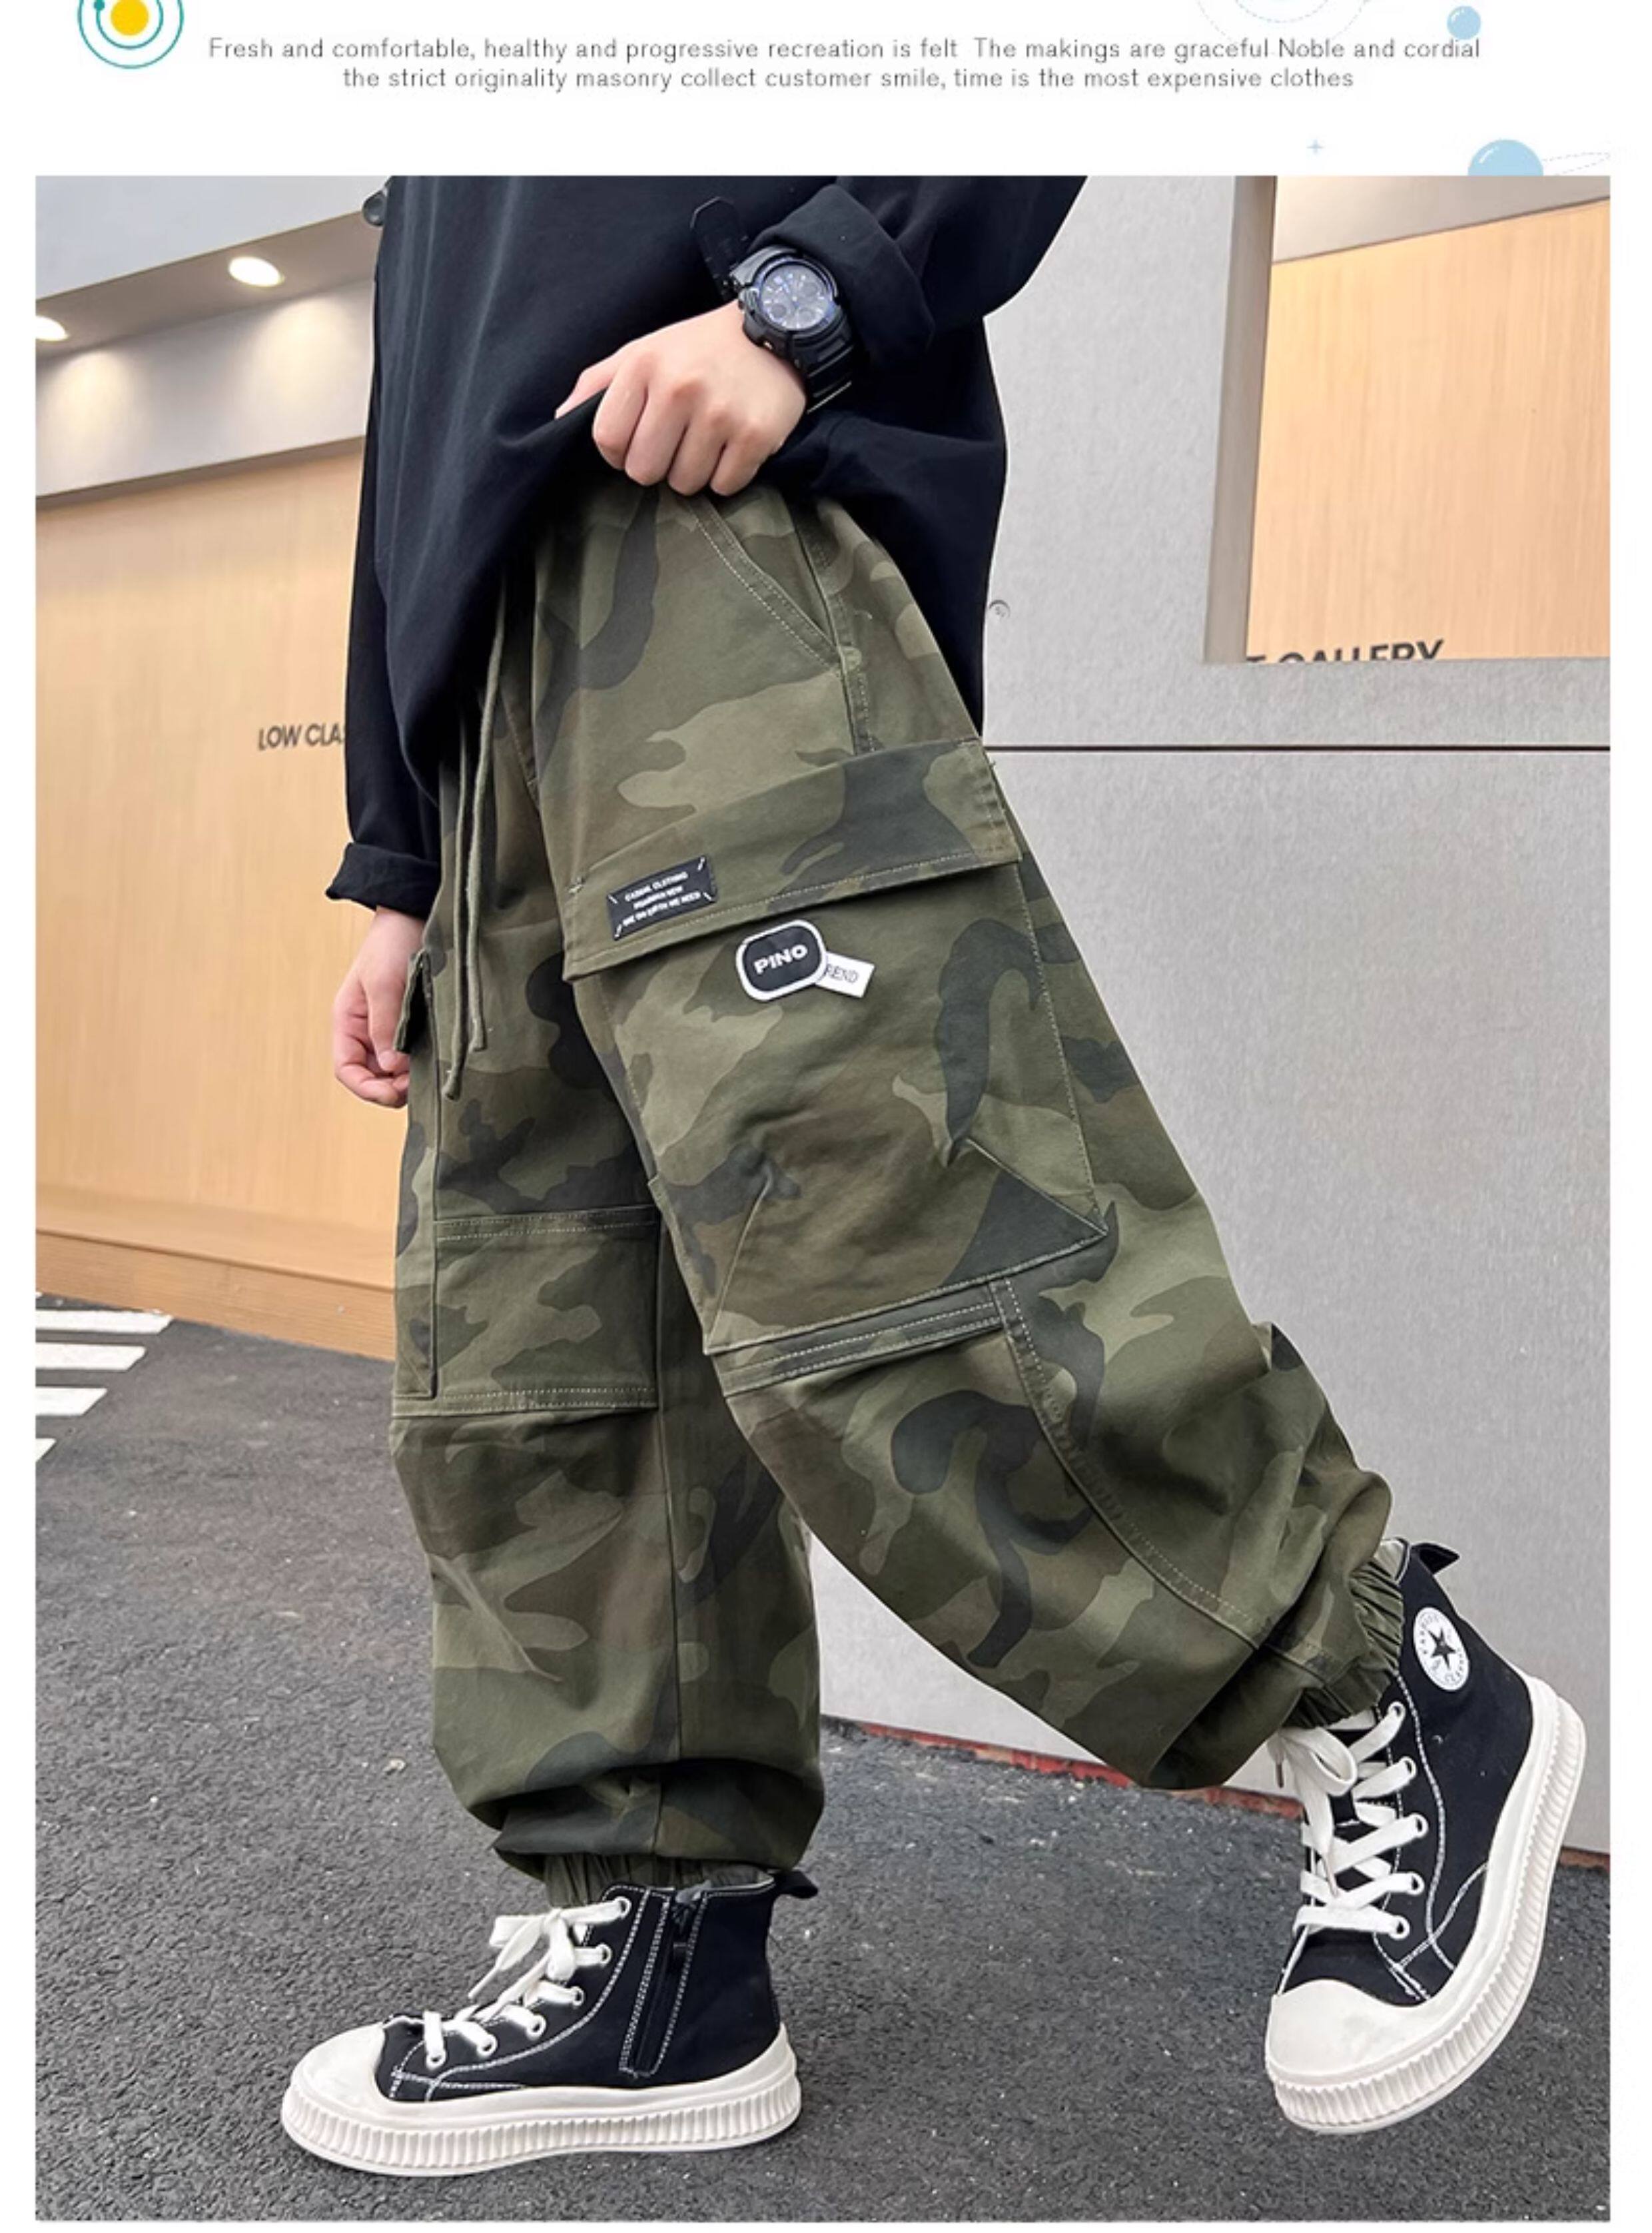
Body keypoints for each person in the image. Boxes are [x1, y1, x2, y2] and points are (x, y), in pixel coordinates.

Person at [286, 176, 1585, 2176]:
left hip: (700, 515)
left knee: (877, 1218)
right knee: (548, 1348)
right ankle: (656, 1956)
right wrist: (395, 845)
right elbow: (422, 387)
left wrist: (803, 307)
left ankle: (1382, 1680)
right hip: (483, 688)